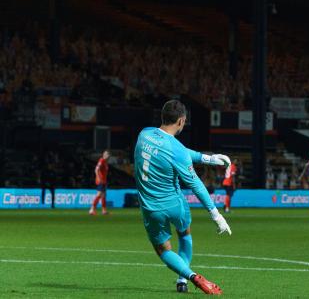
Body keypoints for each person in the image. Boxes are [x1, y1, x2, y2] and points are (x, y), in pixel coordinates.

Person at [134, 99, 232, 295]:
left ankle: (190, 277)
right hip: (175, 205)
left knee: (163, 250)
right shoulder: (176, 149)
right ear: (181, 121)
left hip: (151, 209)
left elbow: (180, 153)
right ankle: (182, 279)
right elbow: (196, 184)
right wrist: (216, 215)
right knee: (184, 234)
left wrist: (209, 158)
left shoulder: (144, 134)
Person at [89, 150, 110, 215]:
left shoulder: (105, 162)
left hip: (104, 181)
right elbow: (96, 169)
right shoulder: (101, 160)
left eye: (109, 154)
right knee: (99, 194)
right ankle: (92, 209)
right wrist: (98, 177)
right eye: (107, 154)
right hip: (101, 181)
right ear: (103, 155)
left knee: (104, 195)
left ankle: (104, 210)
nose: (108, 155)